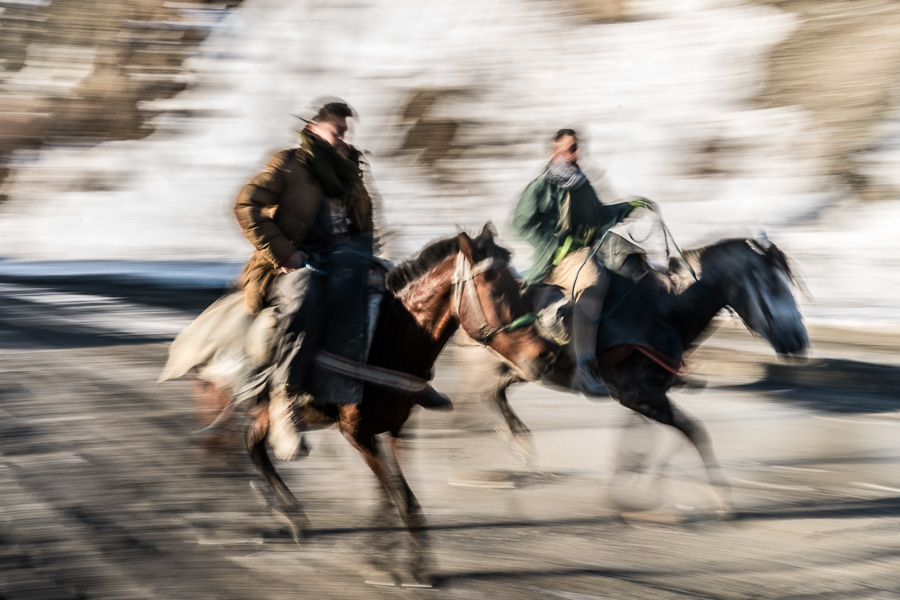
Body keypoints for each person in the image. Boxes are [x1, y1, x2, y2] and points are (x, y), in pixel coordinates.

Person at [512, 128, 647, 396]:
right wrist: (553, 245)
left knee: (631, 269)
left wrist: (627, 208)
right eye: (571, 148)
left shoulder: (580, 183)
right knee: (594, 280)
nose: (577, 153)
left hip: (582, 253)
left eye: (577, 147)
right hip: (557, 260)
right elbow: (520, 222)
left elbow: (598, 216)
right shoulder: (541, 186)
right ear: (555, 152)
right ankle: (583, 367)